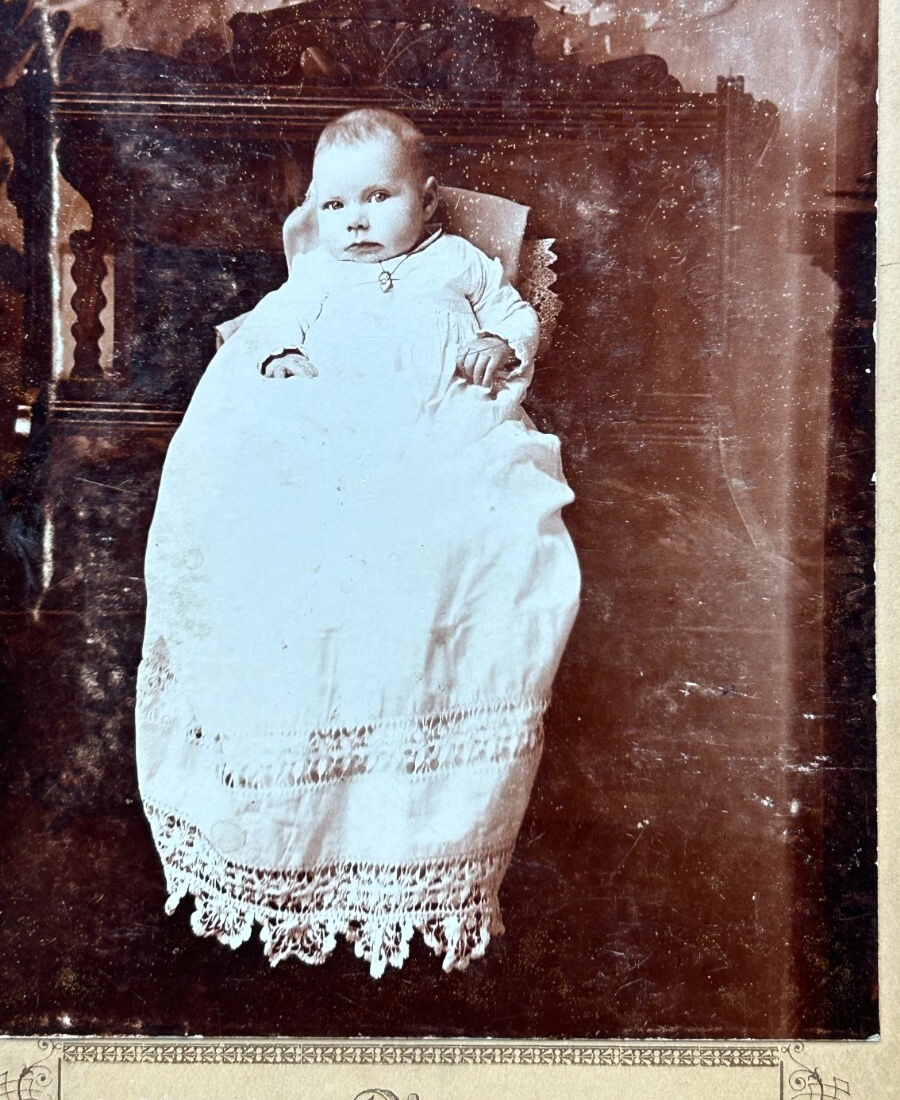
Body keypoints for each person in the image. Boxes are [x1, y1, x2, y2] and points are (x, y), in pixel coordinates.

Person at [136, 109, 580, 978]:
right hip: (329, 432)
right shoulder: (315, 278)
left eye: (380, 198)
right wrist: (279, 363)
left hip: (433, 427)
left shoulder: (459, 265)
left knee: (471, 516)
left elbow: (515, 315)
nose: (357, 221)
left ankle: (416, 828)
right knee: (279, 513)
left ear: (427, 200)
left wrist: (496, 341)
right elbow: (264, 332)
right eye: (337, 204)